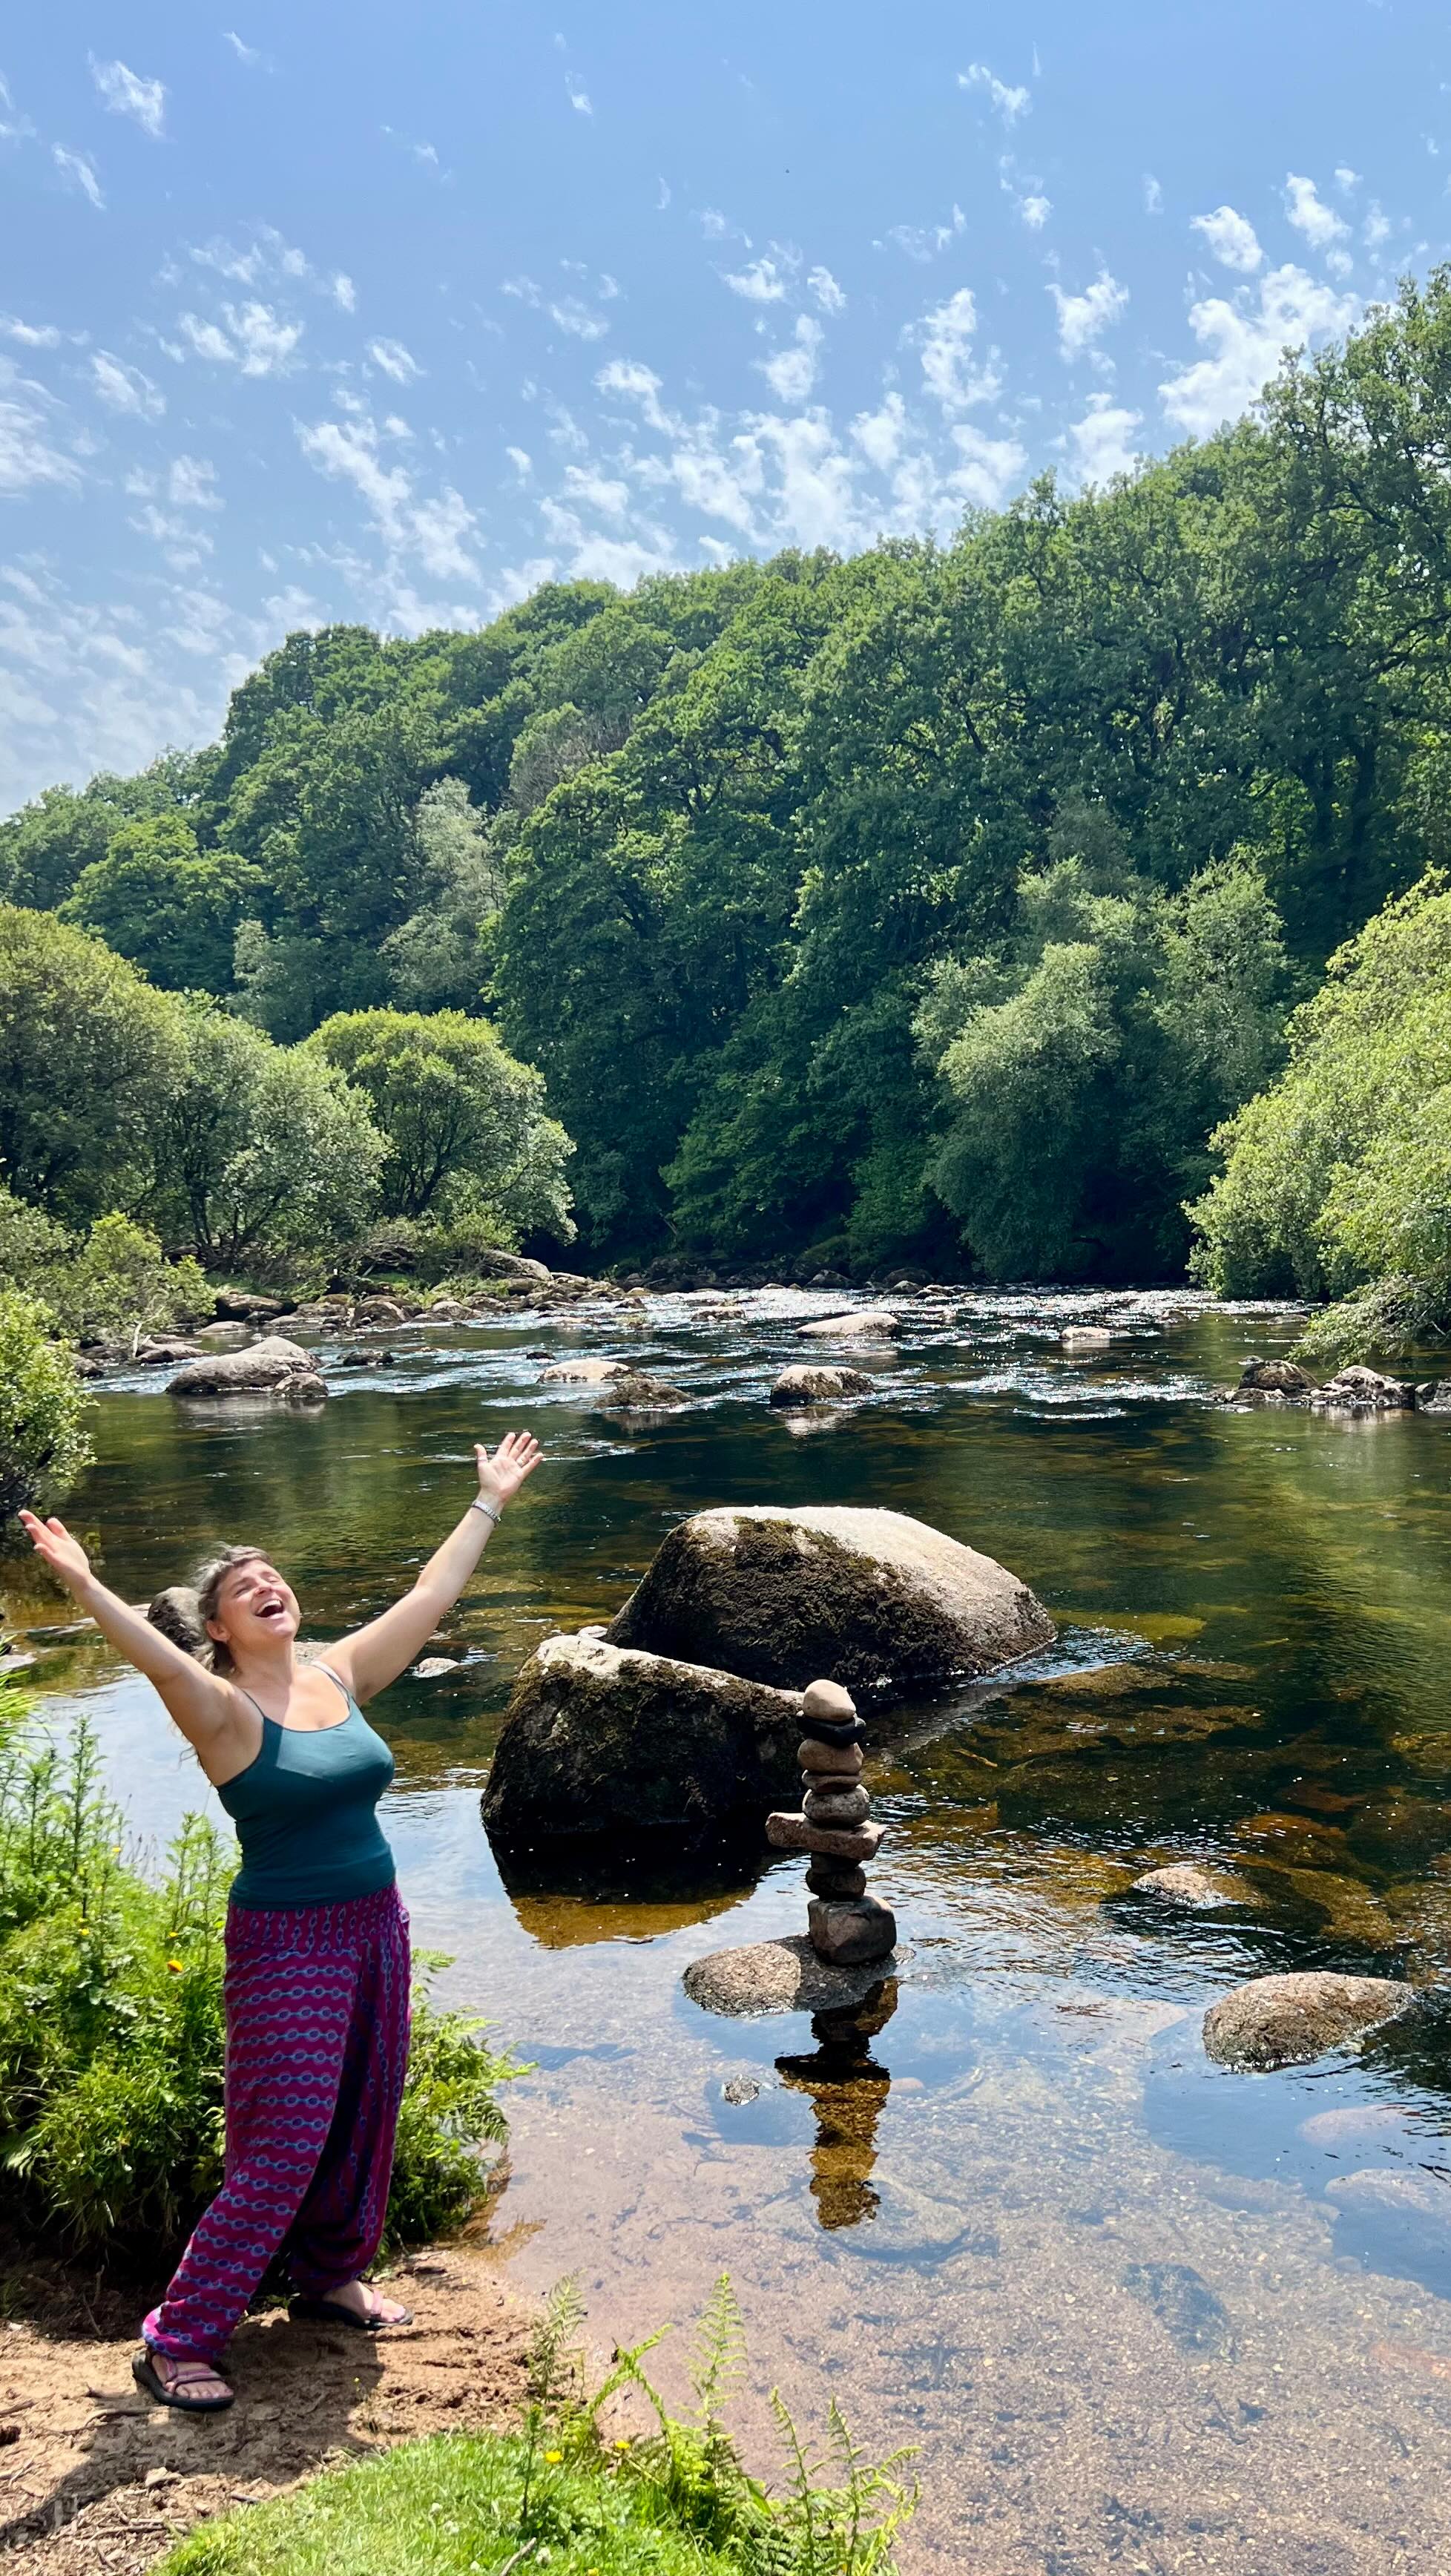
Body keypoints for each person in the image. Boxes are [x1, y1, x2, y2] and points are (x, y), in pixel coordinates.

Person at [19, 1427, 543, 2416]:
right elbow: (152, 1663)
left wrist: (489, 1501)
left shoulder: (338, 1674)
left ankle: (331, 2276)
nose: (271, 1586)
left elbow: (429, 1599)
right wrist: (89, 1591)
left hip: (375, 1923)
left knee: (364, 2110)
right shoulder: (218, 1710)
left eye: (277, 1576)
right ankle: (180, 2337)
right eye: (244, 1587)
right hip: (288, 1943)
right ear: (218, 1628)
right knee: (285, 2139)